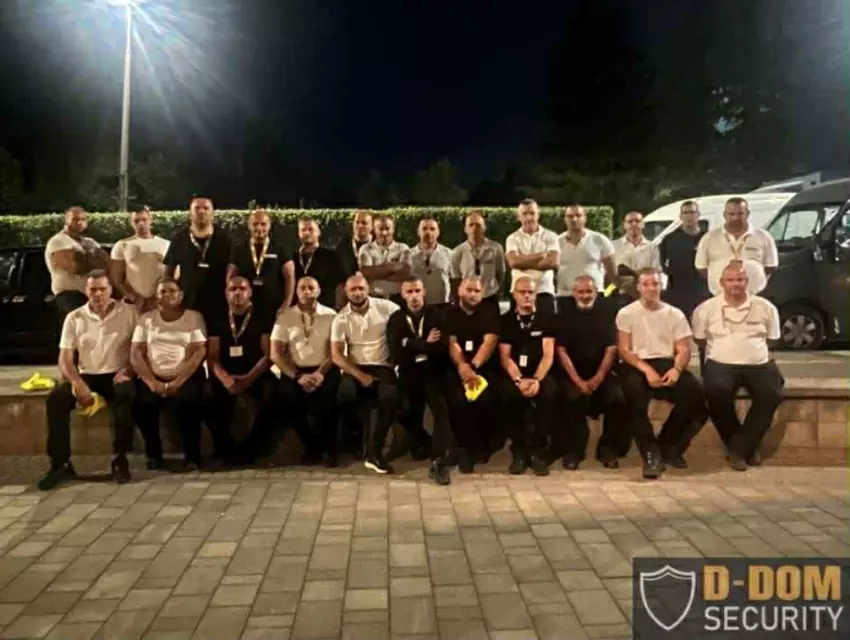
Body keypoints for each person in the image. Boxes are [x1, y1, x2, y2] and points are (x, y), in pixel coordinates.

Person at [37, 271, 138, 490]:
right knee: (56, 399)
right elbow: (65, 358)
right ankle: (60, 463)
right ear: (86, 291)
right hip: (86, 375)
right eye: (93, 290)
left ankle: (120, 459)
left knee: (125, 396)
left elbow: (140, 348)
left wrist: (131, 370)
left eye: (102, 289)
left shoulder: (129, 313)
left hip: (118, 373)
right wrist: (76, 382)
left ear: (110, 290)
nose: (98, 294)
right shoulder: (74, 318)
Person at [616, 268, 708, 479]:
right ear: (638, 287)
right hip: (636, 363)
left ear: (661, 286)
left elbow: (683, 349)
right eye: (646, 284)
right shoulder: (626, 313)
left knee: (696, 398)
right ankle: (650, 455)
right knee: (635, 399)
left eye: (655, 284)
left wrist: (676, 369)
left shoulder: (674, 314)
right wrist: (647, 370)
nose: (651, 288)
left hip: (666, 361)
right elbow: (624, 349)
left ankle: (668, 444)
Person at [693, 261, 784, 471]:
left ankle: (739, 449)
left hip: (759, 364)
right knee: (716, 393)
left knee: (771, 393)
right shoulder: (706, 309)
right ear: (721, 283)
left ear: (747, 282)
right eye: (730, 280)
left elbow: (773, 339)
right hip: (720, 363)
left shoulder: (766, 307)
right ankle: (746, 449)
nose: (735, 284)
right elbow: (700, 339)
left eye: (740, 280)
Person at [130, 278, 207, 470]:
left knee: (188, 403)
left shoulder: (193, 318)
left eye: (172, 291)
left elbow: (199, 351)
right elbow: (136, 353)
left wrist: (177, 382)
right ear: (156, 296)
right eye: (162, 291)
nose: (167, 295)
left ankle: (192, 456)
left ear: (180, 295)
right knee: (142, 405)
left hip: (185, 377)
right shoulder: (146, 319)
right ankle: (154, 454)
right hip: (153, 376)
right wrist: (151, 382)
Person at [553, 276, 627, 470]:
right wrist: (578, 381)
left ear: (596, 293)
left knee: (617, 399)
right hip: (573, 372)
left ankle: (607, 450)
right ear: (573, 293)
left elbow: (611, 349)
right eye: (581, 292)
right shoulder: (564, 316)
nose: (585, 296)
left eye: (589, 292)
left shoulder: (607, 314)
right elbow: (561, 351)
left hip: (601, 371)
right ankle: (575, 450)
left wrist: (598, 378)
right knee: (571, 398)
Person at [331, 275, 400, 474]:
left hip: (382, 365)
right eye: (353, 289)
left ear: (368, 288)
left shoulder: (387, 308)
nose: (358, 293)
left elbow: (404, 328)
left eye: (361, 288)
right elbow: (336, 355)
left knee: (389, 397)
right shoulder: (340, 318)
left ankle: (373, 453)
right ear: (346, 292)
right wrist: (361, 376)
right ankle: (350, 443)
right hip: (356, 367)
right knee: (345, 394)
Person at [387, 278, 453, 485]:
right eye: (409, 292)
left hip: (434, 372)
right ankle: (421, 443)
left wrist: (410, 343)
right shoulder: (397, 319)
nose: (414, 296)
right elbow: (396, 352)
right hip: (409, 373)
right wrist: (425, 343)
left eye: (417, 291)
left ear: (424, 292)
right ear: (402, 294)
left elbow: (441, 349)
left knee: (441, 411)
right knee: (403, 411)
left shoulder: (437, 315)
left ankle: (439, 460)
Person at [205, 276, 277, 465]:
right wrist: (225, 379)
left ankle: (252, 450)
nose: (238, 292)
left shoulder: (263, 316)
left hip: (255, 372)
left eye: (242, 289)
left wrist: (247, 379)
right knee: (206, 396)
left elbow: (269, 355)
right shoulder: (216, 317)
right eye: (233, 289)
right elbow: (212, 355)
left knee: (274, 395)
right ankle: (226, 449)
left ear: (250, 292)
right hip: (226, 373)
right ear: (226, 293)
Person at [271, 276, 340, 467]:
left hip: (325, 368)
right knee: (286, 399)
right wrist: (298, 376)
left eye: (311, 287)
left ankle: (331, 449)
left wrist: (319, 374)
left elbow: (336, 351)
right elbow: (275, 354)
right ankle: (312, 446)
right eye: (302, 288)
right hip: (296, 371)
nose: (307, 291)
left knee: (329, 401)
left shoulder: (331, 315)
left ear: (319, 291)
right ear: (296, 291)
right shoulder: (285, 317)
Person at [498, 277, 558, 476]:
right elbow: (505, 357)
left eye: (530, 292)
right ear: (513, 295)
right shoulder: (506, 320)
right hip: (515, 373)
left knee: (549, 395)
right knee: (509, 395)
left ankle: (537, 451)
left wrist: (537, 380)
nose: (526, 296)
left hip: (540, 372)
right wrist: (519, 380)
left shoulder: (546, 318)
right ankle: (519, 450)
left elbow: (548, 355)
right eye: (522, 292)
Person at [443, 276, 501, 473]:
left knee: (485, 399)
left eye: (477, 291)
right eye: (469, 290)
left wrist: (473, 367)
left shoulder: (490, 313)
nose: (473, 295)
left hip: (483, 367)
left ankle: (482, 445)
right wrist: (462, 366)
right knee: (457, 400)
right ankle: (463, 448)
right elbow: (453, 343)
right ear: (460, 291)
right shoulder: (450, 314)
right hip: (457, 368)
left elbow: (489, 342)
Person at [164, 197, 232, 326]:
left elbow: (232, 271)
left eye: (206, 208)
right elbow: (168, 273)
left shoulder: (225, 239)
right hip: (188, 304)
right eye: (197, 208)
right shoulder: (179, 239)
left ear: (212, 212)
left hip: (218, 305)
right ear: (190, 212)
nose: (201, 211)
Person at [695, 197, 779, 296]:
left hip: (755, 295)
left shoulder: (763, 236)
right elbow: (701, 267)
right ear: (724, 215)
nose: (736, 218)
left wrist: (753, 277)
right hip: (719, 296)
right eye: (731, 214)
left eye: (740, 214)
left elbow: (771, 266)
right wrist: (718, 280)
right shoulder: (709, 237)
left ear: (747, 214)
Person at [45, 206, 109, 330]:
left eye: (82, 219)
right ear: (66, 220)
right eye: (74, 219)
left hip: (91, 295)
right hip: (69, 296)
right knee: (77, 333)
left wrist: (83, 257)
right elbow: (75, 268)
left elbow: (107, 264)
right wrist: (94, 258)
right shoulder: (58, 241)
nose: (79, 222)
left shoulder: (90, 242)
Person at [228, 208, 295, 319]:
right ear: (249, 226)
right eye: (255, 224)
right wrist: (231, 302)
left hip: (273, 309)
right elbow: (230, 278)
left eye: (263, 224)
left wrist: (286, 304)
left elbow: (290, 277)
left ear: (269, 226)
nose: (259, 228)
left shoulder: (280, 249)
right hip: (245, 309)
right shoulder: (238, 250)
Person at [110, 206, 170, 313]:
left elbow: (172, 274)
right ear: (131, 222)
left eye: (144, 219)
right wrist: (133, 297)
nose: (141, 224)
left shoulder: (166, 244)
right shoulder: (122, 245)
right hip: (133, 303)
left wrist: (158, 296)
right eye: (136, 221)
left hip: (160, 301)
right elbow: (115, 277)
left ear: (150, 220)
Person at [505, 199, 560, 316]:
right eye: (524, 214)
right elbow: (513, 262)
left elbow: (553, 262)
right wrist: (540, 256)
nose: (529, 217)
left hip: (544, 291)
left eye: (532, 213)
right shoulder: (512, 238)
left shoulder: (551, 236)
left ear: (538, 214)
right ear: (518, 217)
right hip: (519, 292)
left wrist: (523, 261)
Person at [659, 200, 709, 320]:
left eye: (692, 212)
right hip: (677, 293)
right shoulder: (670, 239)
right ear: (681, 216)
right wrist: (671, 273)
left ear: (698, 215)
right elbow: (660, 262)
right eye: (685, 213)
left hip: (702, 293)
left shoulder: (707, 238)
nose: (689, 216)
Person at [450, 211, 506, 315]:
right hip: (466, 302)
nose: (474, 228)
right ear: (465, 229)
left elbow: (500, 274)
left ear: (484, 228)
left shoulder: (496, 249)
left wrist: (492, 291)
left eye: (478, 225)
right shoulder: (457, 252)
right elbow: (456, 279)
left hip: (489, 300)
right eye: (471, 225)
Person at [556, 204, 617, 298]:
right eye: (570, 216)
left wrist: (604, 292)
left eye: (578, 215)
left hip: (594, 296)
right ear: (565, 219)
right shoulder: (556, 242)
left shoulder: (599, 239)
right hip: (565, 296)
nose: (574, 219)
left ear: (585, 218)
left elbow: (613, 274)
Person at [290, 218, 345, 309]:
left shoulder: (330, 256)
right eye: (303, 230)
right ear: (298, 233)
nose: (307, 233)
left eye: (310, 229)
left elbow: (340, 284)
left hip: (325, 309)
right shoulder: (292, 257)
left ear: (318, 232)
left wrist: (339, 307)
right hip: (297, 310)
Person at [358, 214, 412, 304]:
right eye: (381, 229)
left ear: (393, 229)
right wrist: (394, 267)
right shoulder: (365, 249)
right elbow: (367, 272)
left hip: (398, 299)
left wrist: (377, 270)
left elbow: (405, 273)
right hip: (373, 299)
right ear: (374, 230)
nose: (384, 233)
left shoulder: (403, 248)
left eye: (387, 228)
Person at [409, 217, 453, 306]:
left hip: (442, 306)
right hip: (417, 306)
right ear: (418, 232)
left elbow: (454, 281)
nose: (428, 232)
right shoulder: (408, 255)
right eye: (424, 229)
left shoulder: (449, 254)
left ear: (438, 232)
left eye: (432, 229)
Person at [334, 209, 374, 283]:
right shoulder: (342, 246)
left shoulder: (378, 244)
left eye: (364, 223)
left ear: (372, 226)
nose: (360, 226)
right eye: (357, 222)